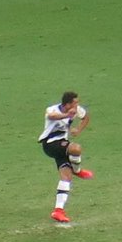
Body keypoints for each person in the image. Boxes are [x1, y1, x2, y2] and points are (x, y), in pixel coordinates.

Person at [39, 91, 93, 224]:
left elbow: (86, 117)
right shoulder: (53, 109)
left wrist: (78, 130)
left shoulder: (76, 110)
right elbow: (52, 116)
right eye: (75, 103)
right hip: (50, 144)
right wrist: (65, 115)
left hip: (61, 145)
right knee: (75, 148)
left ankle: (58, 211)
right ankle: (78, 170)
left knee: (66, 177)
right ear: (67, 104)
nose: (77, 105)